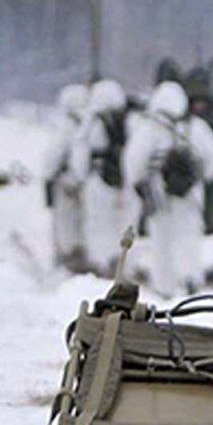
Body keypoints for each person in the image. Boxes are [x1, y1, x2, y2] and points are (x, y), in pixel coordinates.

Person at [123, 80, 213, 298]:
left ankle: (165, 287)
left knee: (162, 242)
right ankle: (191, 279)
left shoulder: (149, 128)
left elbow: (134, 162)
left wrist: (138, 183)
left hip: (160, 195)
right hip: (190, 195)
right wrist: (202, 176)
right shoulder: (195, 127)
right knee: (189, 238)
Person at [71, 78, 134, 277]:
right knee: (124, 225)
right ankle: (123, 265)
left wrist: (80, 177)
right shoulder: (131, 120)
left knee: (98, 224)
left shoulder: (91, 122)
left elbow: (80, 156)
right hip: (125, 183)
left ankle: (101, 264)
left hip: (98, 180)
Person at [42, 83, 89, 272]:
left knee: (65, 225)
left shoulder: (67, 126)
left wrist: (48, 176)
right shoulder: (90, 123)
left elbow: (53, 157)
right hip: (87, 184)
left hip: (66, 183)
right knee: (84, 222)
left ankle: (69, 260)